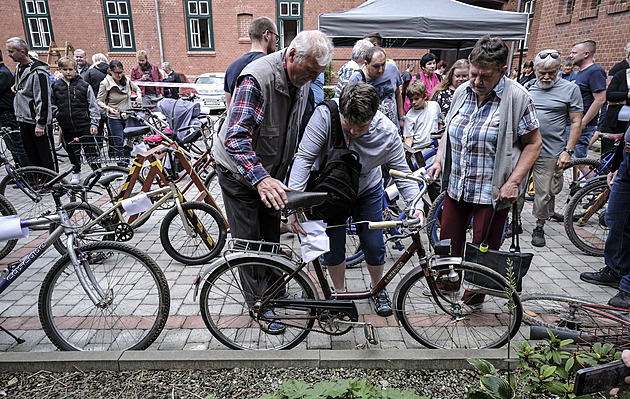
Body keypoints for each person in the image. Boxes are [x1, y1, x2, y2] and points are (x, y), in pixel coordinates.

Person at [212, 30, 333, 333]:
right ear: (292, 55)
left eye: (318, 74)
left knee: (270, 235)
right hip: (239, 173)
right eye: (309, 72)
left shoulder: (303, 79)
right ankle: (260, 305)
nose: (311, 79)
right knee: (250, 242)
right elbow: (236, 139)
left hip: (270, 171)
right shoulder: (256, 79)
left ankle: (275, 293)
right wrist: (261, 179)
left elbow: (293, 129)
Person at [427, 35, 542, 313]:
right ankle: (448, 292)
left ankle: (473, 300)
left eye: (485, 76)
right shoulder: (461, 92)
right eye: (473, 74)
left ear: (503, 71)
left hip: (493, 192)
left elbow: (534, 143)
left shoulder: (517, 98)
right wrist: (440, 158)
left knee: (483, 250)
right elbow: (450, 131)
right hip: (457, 187)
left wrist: (514, 181)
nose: (476, 81)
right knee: (447, 243)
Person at [287, 82, 422, 317]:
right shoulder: (325, 117)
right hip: (328, 190)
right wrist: (292, 204)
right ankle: (339, 294)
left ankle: (377, 288)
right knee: (332, 247)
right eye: (348, 124)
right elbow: (304, 159)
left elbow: (402, 172)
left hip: (366, 190)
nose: (353, 132)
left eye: (361, 127)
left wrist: (416, 206)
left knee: (374, 244)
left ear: (374, 116)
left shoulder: (387, 133)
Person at [524, 50, 583, 247]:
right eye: (542, 73)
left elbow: (576, 122)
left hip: (551, 150)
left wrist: (568, 150)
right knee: (516, 187)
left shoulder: (570, 89)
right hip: (524, 148)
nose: (547, 77)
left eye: (552, 72)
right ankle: (513, 222)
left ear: (559, 70)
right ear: (535, 70)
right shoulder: (527, 87)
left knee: (545, 192)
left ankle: (539, 226)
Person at [580, 126, 630, 308]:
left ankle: (628, 288)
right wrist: (617, 165)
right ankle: (616, 271)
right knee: (616, 219)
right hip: (626, 160)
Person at [6, 37, 57, 171]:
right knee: (32, 154)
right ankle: (40, 182)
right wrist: (16, 87)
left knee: (45, 155)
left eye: (11, 51)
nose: (9, 55)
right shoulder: (19, 68)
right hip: (23, 118)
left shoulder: (39, 72)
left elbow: (44, 98)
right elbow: (25, 87)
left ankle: (54, 183)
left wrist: (41, 123)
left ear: (22, 52)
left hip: (36, 120)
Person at [51, 57, 100, 183]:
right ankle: (76, 172)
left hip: (84, 123)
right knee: (72, 151)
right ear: (60, 70)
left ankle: (97, 172)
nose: (68, 72)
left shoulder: (84, 85)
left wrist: (94, 123)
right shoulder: (56, 86)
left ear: (75, 69)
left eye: (70, 69)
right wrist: (58, 113)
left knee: (90, 150)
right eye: (65, 69)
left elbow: (93, 105)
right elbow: (51, 103)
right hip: (66, 125)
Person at [224, 16, 278, 107]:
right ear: (267, 35)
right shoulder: (273, 66)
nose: (276, 43)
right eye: (276, 37)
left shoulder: (231, 68)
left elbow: (229, 108)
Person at [97, 60, 142, 167]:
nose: (120, 75)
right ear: (110, 72)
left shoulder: (126, 80)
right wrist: (108, 109)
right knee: (119, 142)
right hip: (114, 117)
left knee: (128, 142)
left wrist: (139, 97)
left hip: (128, 115)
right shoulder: (105, 83)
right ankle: (121, 167)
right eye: (117, 72)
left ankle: (126, 164)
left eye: (121, 72)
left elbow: (137, 89)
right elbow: (99, 101)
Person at [347, 46, 404, 131]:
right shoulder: (356, 79)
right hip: (372, 134)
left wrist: (401, 118)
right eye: (376, 66)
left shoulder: (392, 69)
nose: (381, 70)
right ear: (366, 64)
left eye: (383, 64)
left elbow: (397, 93)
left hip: (393, 130)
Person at [567, 39, 606, 159]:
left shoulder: (595, 71)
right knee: (571, 161)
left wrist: (582, 123)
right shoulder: (580, 73)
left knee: (579, 162)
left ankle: (596, 178)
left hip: (581, 126)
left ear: (586, 54)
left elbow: (600, 100)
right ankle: (575, 179)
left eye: (574, 52)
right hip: (572, 123)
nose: (570, 55)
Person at [403, 80, 442, 170]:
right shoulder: (410, 116)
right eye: (411, 99)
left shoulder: (434, 106)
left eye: (417, 99)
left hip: (434, 150)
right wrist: (405, 154)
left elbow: (440, 126)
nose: (413, 102)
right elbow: (409, 138)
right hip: (419, 152)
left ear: (424, 96)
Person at [0, 48, 30, 167]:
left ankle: (28, 175)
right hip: (5, 114)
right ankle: (21, 172)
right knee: (13, 146)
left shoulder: (2, 73)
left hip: (6, 114)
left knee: (16, 146)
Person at [602, 46, 630, 135]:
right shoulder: (621, 74)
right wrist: (628, 95)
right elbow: (609, 95)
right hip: (614, 124)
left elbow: (614, 98)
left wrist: (620, 101)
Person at [83, 53, 109, 137]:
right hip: (112, 105)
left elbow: (84, 87)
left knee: (98, 131)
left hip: (97, 104)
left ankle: (99, 148)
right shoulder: (112, 71)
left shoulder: (90, 72)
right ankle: (113, 149)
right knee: (113, 133)